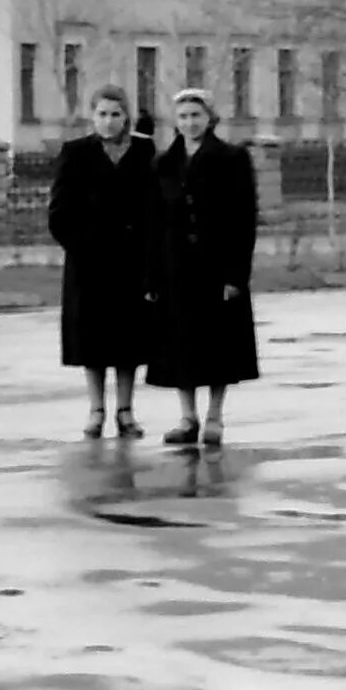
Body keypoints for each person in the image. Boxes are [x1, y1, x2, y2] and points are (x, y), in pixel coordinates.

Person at [147, 87, 259, 448]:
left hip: (216, 266)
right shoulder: (164, 162)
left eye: (196, 115)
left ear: (209, 118)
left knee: (216, 345)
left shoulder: (231, 158)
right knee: (180, 344)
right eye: (183, 117)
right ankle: (186, 417)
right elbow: (153, 222)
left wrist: (235, 276)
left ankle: (214, 416)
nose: (190, 123)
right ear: (174, 122)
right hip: (174, 268)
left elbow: (244, 219)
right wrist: (151, 275)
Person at [48, 82, 157, 438]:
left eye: (115, 115)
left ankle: (125, 410)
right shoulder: (76, 152)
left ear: (126, 117)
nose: (108, 122)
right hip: (89, 263)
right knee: (91, 339)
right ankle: (96, 409)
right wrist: (81, 245)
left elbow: (155, 206)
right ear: (92, 116)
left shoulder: (143, 151)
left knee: (129, 340)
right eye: (102, 114)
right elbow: (60, 212)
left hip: (132, 262)